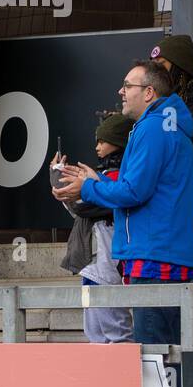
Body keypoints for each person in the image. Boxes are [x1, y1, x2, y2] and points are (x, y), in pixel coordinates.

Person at [54, 60, 193, 346]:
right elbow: (141, 188)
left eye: (127, 86)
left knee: (156, 362)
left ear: (148, 93)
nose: (120, 91)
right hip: (167, 256)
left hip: (154, 260)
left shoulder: (152, 128)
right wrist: (96, 183)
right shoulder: (167, 125)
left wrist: (89, 188)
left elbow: (134, 192)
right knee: (175, 360)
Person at [55, 113, 134, 343]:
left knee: (116, 331)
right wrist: (60, 184)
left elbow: (88, 208)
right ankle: (103, 377)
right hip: (91, 265)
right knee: (95, 334)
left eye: (102, 141)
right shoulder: (101, 176)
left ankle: (124, 376)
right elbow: (80, 211)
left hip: (109, 264)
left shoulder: (122, 177)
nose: (97, 146)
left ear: (119, 142)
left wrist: (79, 190)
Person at [150, 34, 193, 256]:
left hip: (186, 193)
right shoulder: (152, 97)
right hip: (159, 193)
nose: (155, 71)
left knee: (183, 260)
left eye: (161, 65)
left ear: (179, 67)